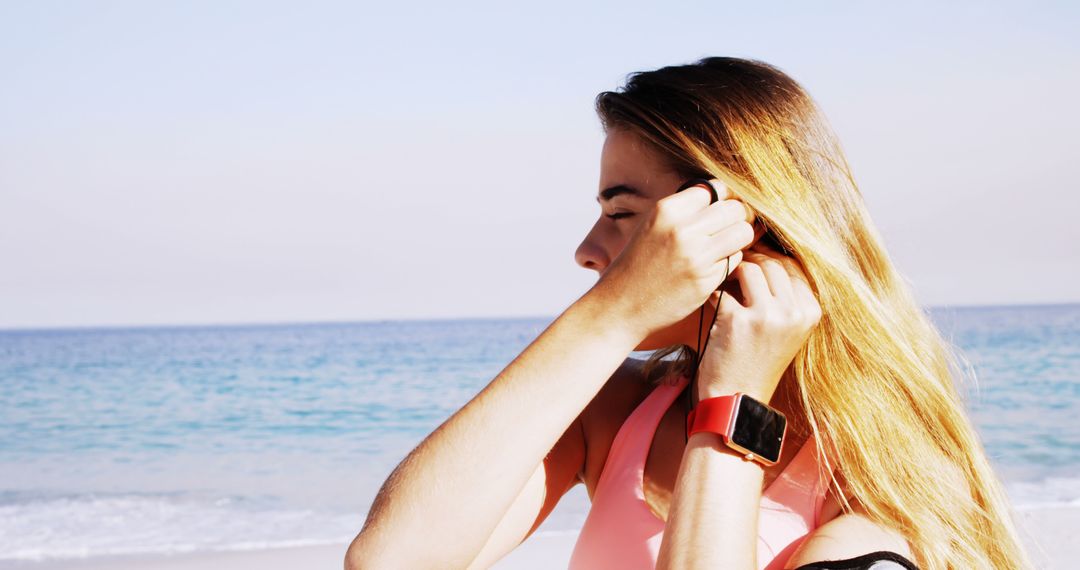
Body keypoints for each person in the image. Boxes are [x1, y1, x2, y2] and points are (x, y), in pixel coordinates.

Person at [344, 57, 1032, 570]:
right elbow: (390, 561)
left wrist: (735, 406)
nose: (587, 251)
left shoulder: (872, 483)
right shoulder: (615, 415)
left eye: (622, 216)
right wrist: (607, 317)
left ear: (742, 228)